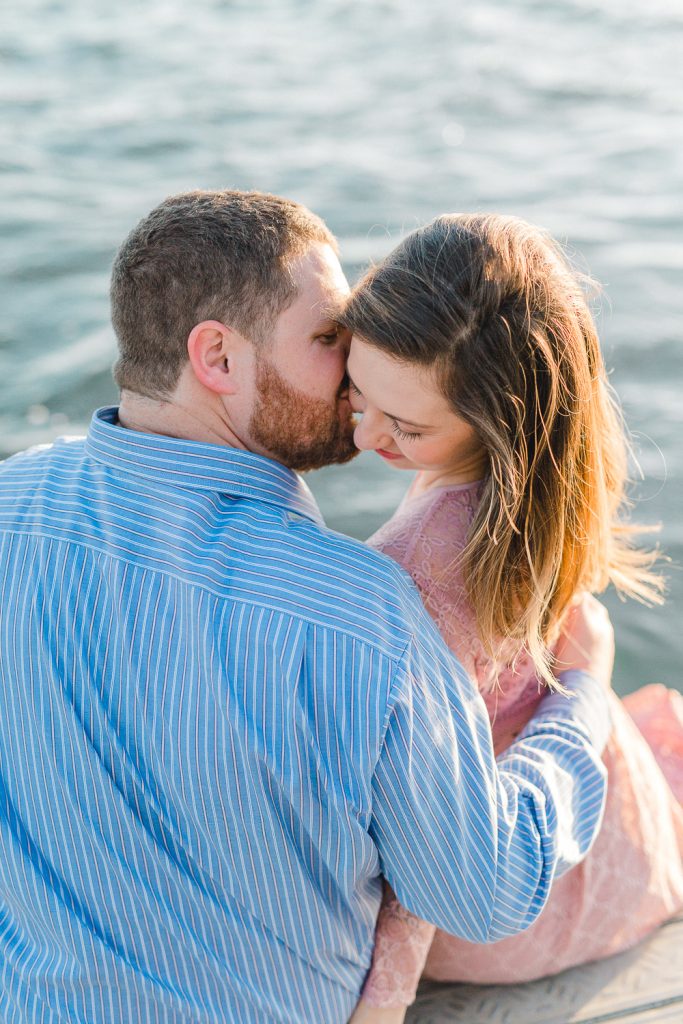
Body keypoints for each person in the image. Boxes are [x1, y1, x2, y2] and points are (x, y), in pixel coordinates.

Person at [0, 191, 614, 1024]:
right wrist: (580, 703)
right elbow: (484, 891)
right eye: (328, 337)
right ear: (216, 355)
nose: (353, 362)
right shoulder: (356, 611)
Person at [341, 213, 683, 1022]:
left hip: (507, 909)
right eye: (357, 390)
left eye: (406, 425)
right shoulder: (531, 486)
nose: (361, 432)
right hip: (604, 836)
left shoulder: (414, 568)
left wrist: (378, 1007)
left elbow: (430, 847)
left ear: (497, 420)